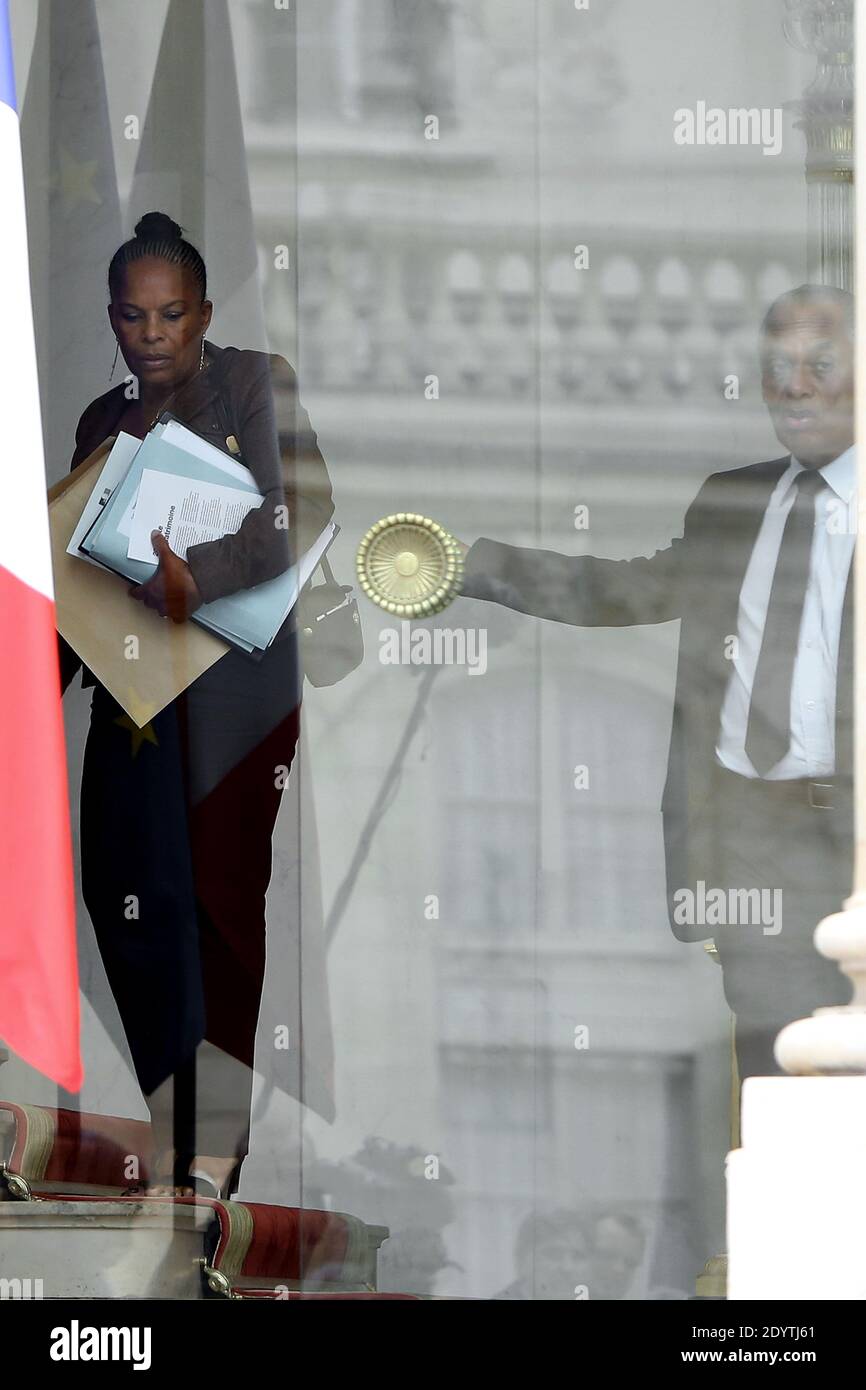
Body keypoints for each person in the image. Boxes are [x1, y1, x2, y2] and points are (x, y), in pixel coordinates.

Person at [458, 285, 855, 1084]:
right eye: (776, 367)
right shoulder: (733, 501)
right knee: (777, 1067)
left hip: (854, 832)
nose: (795, 385)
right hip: (751, 835)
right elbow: (635, 591)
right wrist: (475, 566)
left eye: (821, 364)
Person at [60, 211, 335, 1196]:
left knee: (216, 911)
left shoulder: (257, 382)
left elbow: (294, 507)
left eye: (171, 313)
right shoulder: (103, 420)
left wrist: (199, 577)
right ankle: (175, 1116)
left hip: (231, 700)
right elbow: (75, 575)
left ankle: (212, 1147)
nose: (153, 334)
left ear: (203, 313)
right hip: (132, 696)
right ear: (113, 321)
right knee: (123, 899)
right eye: (134, 317)